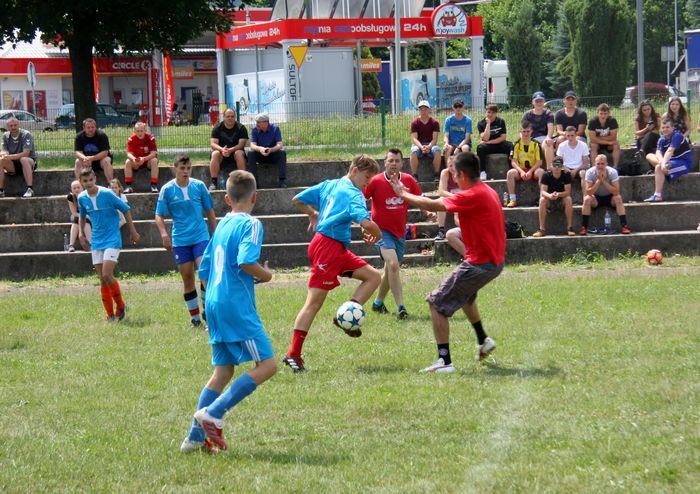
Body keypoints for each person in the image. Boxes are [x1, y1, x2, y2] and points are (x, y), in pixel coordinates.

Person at [181, 170, 276, 454]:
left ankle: (194, 438)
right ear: (255, 197)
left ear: (226, 199)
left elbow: (205, 270)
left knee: (223, 370)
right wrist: (267, 274)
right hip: (235, 304)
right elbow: (246, 260)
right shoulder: (251, 224)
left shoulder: (221, 225)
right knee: (268, 366)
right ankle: (214, 413)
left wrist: (211, 304)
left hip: (213, 301)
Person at [390, 151, 505, 373]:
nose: (452, 176)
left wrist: (402, 193)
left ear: (462, 174)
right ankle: (483, 340)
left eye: (453, 172)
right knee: (465, 296)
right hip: (493, 262)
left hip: (480, 263)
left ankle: (445, 361)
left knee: (436, 303)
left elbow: (433, 205)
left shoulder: (471, 195)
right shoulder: (487, 190)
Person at [281, 155, 382, 373]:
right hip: (328, 248)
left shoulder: (330, 185)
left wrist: (312, 214)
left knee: (373, 277)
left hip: (331, 247)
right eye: (366, 177)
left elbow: (297, 199)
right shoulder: (353, 193)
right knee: (313, 304)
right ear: (354, 171)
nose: (367, 183)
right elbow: (367, 223)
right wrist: (377, 234)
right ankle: (293, 354)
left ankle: (343, 315)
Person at [155, 155, 217, 328]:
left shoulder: (199, 186)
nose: (186, 171)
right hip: (180, 240)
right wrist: (164, 235)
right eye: (182, 168)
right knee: (188, 278)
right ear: (174, 169)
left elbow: (210, 210)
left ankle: (208, 314)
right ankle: (195, 319)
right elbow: (158, 214)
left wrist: (216, 232)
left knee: (204, 273)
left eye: (188, 168)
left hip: (200, 237)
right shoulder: (167, 189)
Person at [363, 148, 425, 320]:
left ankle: (378, 303)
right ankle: (401, 307)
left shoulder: (408, 180)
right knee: (393, 263)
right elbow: (360, 199)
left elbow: (420, 199)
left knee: (390, 269)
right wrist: (364, 223)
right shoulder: (375, 181)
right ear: (385, 162)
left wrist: (428, 212)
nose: (394, 164)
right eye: (390, 160)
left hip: (399, 232)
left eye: (397, 161)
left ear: (402, 163)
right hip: (380, 231)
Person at [77, 167, 140, 321]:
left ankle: (120, 305)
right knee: (102, 278)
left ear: (95, 178)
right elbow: (82, 216)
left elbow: (126, 209)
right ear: (81, 182)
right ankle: (110, 314)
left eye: (91, 180)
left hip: (112, 238)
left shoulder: (107, 193)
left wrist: (133, 231)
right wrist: (81, 234)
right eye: (85, 181)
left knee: (107, 274)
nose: (89, 183)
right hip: (96, 240)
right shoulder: (82, 197)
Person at [643, 118, 693, 203]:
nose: (665, 129)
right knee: (649, 155)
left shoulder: (677, 136)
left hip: (683, 164)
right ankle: (663, 168)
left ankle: (657, 195)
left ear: (673, 128)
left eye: (667, 127)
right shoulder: (662, 139)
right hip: (669, 162)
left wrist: (662, 164)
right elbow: (658, 152)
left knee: (658, 168)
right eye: (663, 127)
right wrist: (662, 162)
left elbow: (670, 151)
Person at [580, 154, 632, 235]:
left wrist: (604, 181)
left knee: (618, 198)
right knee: (587, 199)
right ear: (595, 164)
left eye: (602, 164)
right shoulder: (590, 172)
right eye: (598, 164)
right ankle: (584, 227)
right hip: (596, 198)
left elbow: (616, 191)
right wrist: (598, 181)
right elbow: (589, 192)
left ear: (606, 164)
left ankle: (624, 226)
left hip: (610, 197)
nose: (600, 166)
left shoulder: (612, 172)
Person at [532, 156, 575, 237]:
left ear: (562, 167)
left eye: (559, 165)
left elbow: (568, 192)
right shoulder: (546, 175)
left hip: (562, 199)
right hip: (550, 200)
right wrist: (550, 196)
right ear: (551, 166)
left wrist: (558, 194)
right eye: (555, 165)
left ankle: (570, 228)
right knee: (542, 200)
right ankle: (541, 229)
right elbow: (543, 191)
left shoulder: (566, 174)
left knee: (568, 199)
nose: (556, 167)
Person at [505, 121, 544, 208]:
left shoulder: (536, 144)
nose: (526, 134)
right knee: (510, 173)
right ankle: (512, 200)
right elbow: (513, 162)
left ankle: (542, 199)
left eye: (528, 131)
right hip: (521, 171)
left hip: (533, 170)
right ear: (520, 131)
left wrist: (530, 171)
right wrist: (521, 172)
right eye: (524, 131)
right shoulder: (516, 144)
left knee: (541, 172)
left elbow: (539, 162)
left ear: (531, 131)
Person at [209, 108, 248, 190]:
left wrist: (230, 150)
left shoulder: (241, 128)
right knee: (215, 153)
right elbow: (213, 144)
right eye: (228, 116)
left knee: (239, 153)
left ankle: (243, 181)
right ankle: (214, 182)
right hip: (221, 154)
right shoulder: (217, 128)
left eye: (232, 116)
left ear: (235, 117)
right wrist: (222, 150)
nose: (230, 118)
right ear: (224, 117)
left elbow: (241, 145)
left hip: (235, 153)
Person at [435, 155, 466, 257]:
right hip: (452, 199)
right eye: (450, 166)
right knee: (440, 201)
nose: (452, 168)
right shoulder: (445, 173)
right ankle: (441, 230)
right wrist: (454, 196)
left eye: (454, 166)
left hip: (463, 201)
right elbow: (441, 191)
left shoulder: (463, 173)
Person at [247, 113, 287, 188]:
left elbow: (279, 144)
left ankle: (282, 181)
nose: (257, 124)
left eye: (258, 122)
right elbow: (252, 145)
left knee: (282, 153)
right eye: (256, 122)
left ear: (266, 122)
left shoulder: (275, 129)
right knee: (251, 153)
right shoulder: (254, 129)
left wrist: (271, 150)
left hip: (272, 154)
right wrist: (260, 149)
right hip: (260, 154)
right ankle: (254, 182)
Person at [0, 116, 37, 198]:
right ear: (7, 127)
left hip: (28, 162)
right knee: (0, 160)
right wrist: (4, 155)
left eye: (15, 125)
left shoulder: (26, 134)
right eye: (11, 126)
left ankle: (30, 189)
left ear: (18, 125)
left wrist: (9, 157)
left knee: (23, 159)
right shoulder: (5, 135)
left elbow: (26, 153)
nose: (13, 127)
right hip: (13, 165)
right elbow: (4, 151)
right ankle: (1, 190)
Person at [409, 100, 441, 182]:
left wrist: (428, 147)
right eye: (421, 109)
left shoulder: (435, 122)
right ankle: (414, 175)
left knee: (437, 151)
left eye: (425, 109)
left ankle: (436, 174)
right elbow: (414, 139)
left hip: (431, 144)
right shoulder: (414, 123)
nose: (423, 111)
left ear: (429, 110)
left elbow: (435, 139)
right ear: (419, 110)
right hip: (419, 145)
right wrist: (422, 147)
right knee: (413, 151)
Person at [476, 104, 512, 177]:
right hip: (488, 147)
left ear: (496, 113)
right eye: (489, 112)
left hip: (499, 144)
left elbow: (503, 137)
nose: (490, 114)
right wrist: (488, 124)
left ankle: (511, 169)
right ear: (485, 112)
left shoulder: (501, 121)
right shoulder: (481, 123)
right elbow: (485, 138)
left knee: (511, 146)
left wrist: (490, 142)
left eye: (493, 113)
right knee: (480, 148)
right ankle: (482, 172)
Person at [74, 118, 114, 183]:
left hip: (100, 160)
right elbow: (78, 152)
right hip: (86, 161)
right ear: (84, 128)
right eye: (88, 127)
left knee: (106, 160)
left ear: (95, 127)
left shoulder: (102, 135)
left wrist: (92, 158)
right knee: (78, 161)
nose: (91, 129)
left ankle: (111, 184)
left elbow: (105, 152)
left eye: (92, 127)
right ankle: (79, 185)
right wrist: (85, 158)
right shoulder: (79, 137)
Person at [124, 122, 159, 193]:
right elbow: (129, 154)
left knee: (154, 160)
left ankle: (154, 185)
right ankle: (128, 186)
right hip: (136, 162)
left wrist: (144, 159)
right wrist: (134, 159)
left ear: (145, 131)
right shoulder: (131, 139)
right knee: (127, 162)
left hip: (148, 162)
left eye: (141, 131)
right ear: (134, 131)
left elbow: (153, 154)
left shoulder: (150, 138)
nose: (140, 133)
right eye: (137, 131)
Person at [522, 91, 555, 167]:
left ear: (544, 102)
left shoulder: (548, 113)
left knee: (548, 143)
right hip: (531, 138)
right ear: (532, 102)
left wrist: (548, 137)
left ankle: (549, 169)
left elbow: (550, 128)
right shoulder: (527, 115)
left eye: (541, 101)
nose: (539, 103)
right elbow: (523, 130)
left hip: (544, 138)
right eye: (537, 101)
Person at [556, 125, 590, 192]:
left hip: (579, 168)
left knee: (583, 173)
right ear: (566, 136)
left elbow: (585, 163)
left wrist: (575, 170)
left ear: (576, 135)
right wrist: (567, 170)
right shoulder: (562, 146)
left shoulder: (583, 145)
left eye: (572, 135)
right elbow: (558, 162)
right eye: (568, 136)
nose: (570, 138)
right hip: (566, 168)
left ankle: (585, 195)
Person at [587, 103, 620, 168]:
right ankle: (594, 167)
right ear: (597, 113)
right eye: (601, 113)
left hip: (608, 144)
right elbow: (592, 139)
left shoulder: (612, 121)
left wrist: (598, 138)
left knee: (616, 144)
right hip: (599, 144)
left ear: (608, 114)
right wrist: (607, 141)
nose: (603, 116)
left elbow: (613, 137)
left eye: (605, 114)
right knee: (593, 145)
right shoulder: (592, 121)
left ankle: (615, 167)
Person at [443, 98, 472, 162]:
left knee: (465, 148)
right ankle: (448, 167)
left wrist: (458, 147)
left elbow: (467, 139)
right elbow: (446, 136)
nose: (458, 108)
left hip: (463, 144)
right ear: (453, 107)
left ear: (463, 107)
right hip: (452, 143)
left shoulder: (468, 120)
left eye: (460, 106)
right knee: (448, 148)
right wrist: (446, 143)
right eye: (456, 106)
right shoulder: (448, 120)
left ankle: (466, 167)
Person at [66, 180, 91, 252]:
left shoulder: (87, 195)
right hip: (77, 216)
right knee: (76, 220)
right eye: (74, 188)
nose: (76, 189)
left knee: (85, 221)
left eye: (78, 187)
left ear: (82, 188)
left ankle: (90, 243)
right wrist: (85, 216)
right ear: (71, 189)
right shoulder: (70, 197)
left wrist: (87, 216)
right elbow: (74, 213)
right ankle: (71, 245)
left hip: (89, 215)